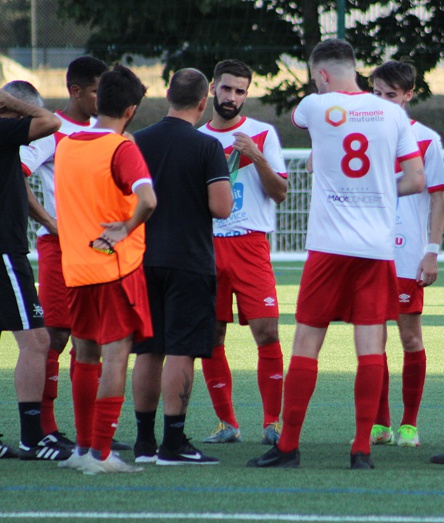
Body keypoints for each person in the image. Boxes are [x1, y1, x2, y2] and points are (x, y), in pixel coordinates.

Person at [247, 38, 425, 470]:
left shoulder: (313, 106)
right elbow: (416, 178)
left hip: (329, 246)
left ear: (322, 74)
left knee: (308, 342)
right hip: (377, 248)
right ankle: (361, 448)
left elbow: (310, 124)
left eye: (315, 77)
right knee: (370, 346)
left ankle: (288, 445)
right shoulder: (393, 113)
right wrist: (381, 190)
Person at [53, 65, 156, 474]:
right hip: (115, 266)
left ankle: (82, 448)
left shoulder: (66, 144)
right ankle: (100, 453)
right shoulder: (121, 148)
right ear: (130, 109)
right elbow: (148, 199)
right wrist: (126, 227)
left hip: (75, 267)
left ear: (98, 100)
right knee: (116, 356)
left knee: (84, 352)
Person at [131, 68, 233, 465]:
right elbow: (221, 207)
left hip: (143, 258)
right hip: (188, 260)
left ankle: (143, 443)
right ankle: (173, 443)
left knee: (148, 350)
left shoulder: (137, 141)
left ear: (167, 95)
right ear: (203, 102)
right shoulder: (207, 146)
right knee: (181, 351)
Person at [18, 57, 113, 449]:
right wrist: (53, 224)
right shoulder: (51, 131)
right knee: (56, 335)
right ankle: (48, 429)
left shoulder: (104, 131)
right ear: (75, 91)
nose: (101, 99)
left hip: (97, 249)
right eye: (95, 91)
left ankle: (88, 433)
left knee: (90, 338)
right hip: (59, 248)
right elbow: (14, 179)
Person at [197, 59, 288, 446]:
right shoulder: (197, 138)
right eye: (226, 89)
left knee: (266, 331)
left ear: (246, 95)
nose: (232, 96)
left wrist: (257, 155)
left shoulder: (262, 134)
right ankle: (227, 423)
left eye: (240, 91)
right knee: (210, 335)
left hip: (251, 245)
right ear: (213, 90)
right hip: (208, 246)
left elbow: (280, 192)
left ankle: (272, 422)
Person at [368, 60, 444, 447]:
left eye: (391, 95)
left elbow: (438, 199)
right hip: (368, 249)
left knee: (409, 337)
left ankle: (410, 425)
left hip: (407, 253)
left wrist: (431, 251)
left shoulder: (427, 139)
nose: (383, 101)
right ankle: (380, 423)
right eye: (377, 93)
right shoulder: (364, 135)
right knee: (372, 338)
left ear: (408, 95)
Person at [0, 82, 68, 461]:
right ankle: (32, 438)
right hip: (5, 252)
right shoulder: (4, 126)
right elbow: (51, 122)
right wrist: (12, 103)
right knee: (37, 341)